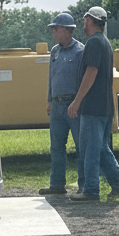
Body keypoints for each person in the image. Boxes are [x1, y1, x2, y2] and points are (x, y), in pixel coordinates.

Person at [67, 6, 119, 201]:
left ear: (90, 20)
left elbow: (91, 72)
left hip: (93, 107)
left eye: (85, 20)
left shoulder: (93, 43)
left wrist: (77, 101)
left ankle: (91, 190)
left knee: (90, 149)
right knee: (101, 148)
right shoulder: (104, 42)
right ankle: (118, 183)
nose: (83, 23)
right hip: (105, 106)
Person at [41, 12, 83, 196]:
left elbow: (84, 80)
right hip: (57, 105)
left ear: (69, 30)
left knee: (81, 146)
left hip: (73, 103)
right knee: (56, 146)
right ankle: (57, 185)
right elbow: (51, 77)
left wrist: (78, 102)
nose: (54, 32)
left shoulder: (81, 51)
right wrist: (49, 100)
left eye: (57, 29)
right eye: (53, 29)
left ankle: (84, 186)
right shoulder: (54, 51)